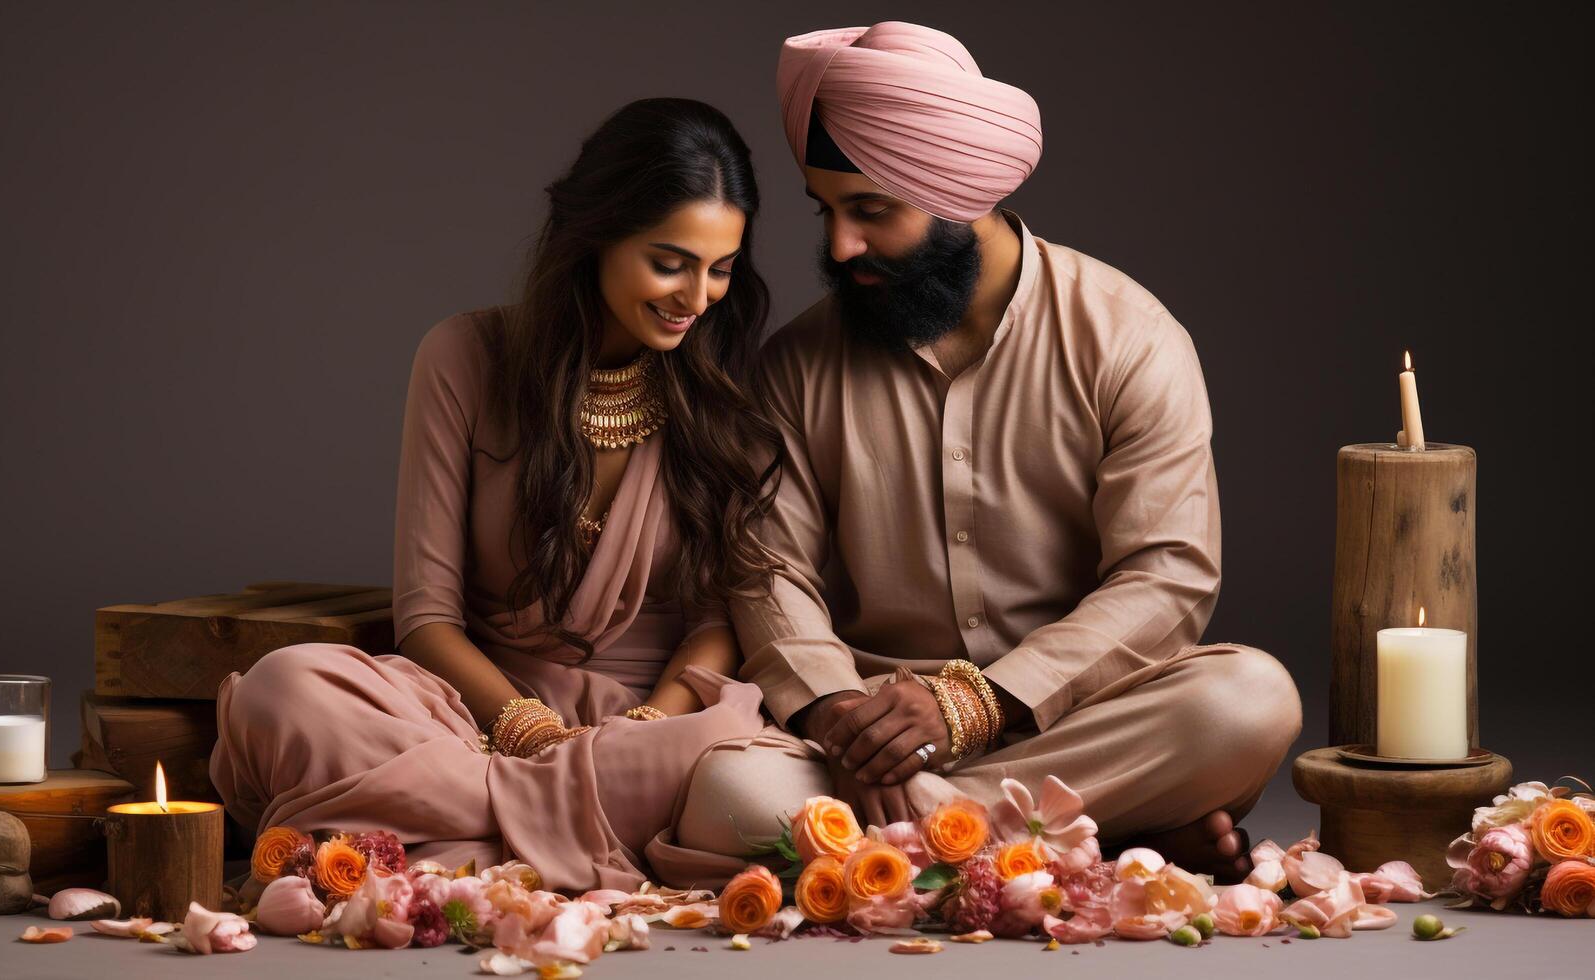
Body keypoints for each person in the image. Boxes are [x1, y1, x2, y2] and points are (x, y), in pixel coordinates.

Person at [646, 22, 1301, 886]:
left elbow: (1166, 576)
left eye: (870, 211)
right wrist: (842, 713)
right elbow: (769, 573)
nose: (839, 247)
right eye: (827, 211)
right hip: (863, 735)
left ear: (958, 192)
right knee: (729, 785)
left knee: (1248, 700)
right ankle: (1084, 832)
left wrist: (975, 702)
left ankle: (921, 837)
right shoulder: (799, 365)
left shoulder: (1126, 336)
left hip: (1067, 719)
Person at [209, 98, 783, 893]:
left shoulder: (725, 393)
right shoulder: (463, 357)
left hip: (654, 722)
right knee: (285, 689)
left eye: (720, 269)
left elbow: (721, 621)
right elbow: (426, 618)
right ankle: (560, 833)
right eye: (670, 262)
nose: (697, 296)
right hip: (474, 715)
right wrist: (527, 729)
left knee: (741, 773)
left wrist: (649, 722)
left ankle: (446, 842)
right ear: (596, 236)